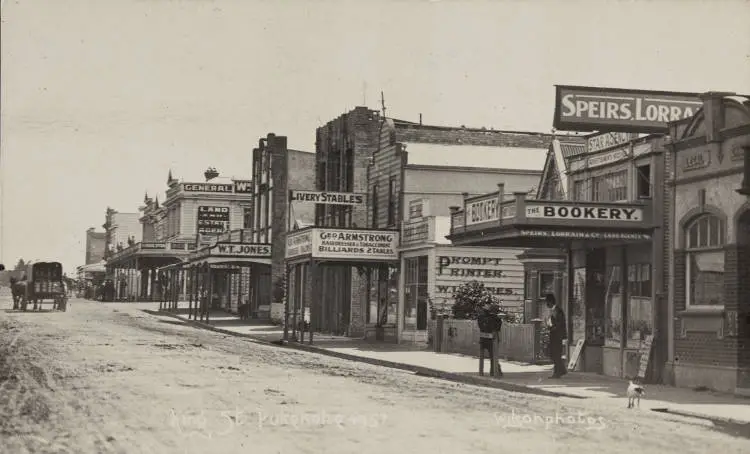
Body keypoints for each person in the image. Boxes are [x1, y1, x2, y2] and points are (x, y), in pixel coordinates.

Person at [477, 301, 504, 377]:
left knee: (492, 356)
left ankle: (495, 370)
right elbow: (497, 328)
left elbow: (481, 327)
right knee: (493, 356)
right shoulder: (495, 318)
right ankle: (495, 370)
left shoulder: (481, 317)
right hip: (491, 338)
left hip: (485, 338)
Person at [545, 293, 567, 378]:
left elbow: (559, 323)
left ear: (550, 301)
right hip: (554, 335)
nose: (546, 304)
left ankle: (558, 372)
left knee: (556, 354)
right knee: (554, 354)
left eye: (547, 302)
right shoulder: (553, 311)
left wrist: (552, 327)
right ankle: (560, 370)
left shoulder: (558, 310)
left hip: (558, 336)